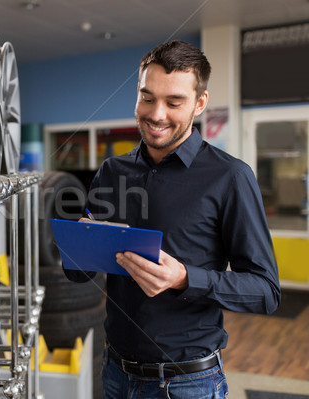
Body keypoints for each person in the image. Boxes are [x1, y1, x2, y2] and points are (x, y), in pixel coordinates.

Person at [63, 40, 280, 398]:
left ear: (199, 104)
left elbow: (266, 291)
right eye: (147, 98)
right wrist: (81, 244)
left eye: (173, 102)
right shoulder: (111, 171)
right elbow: (78, 272)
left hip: (187, 384)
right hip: (115, 373)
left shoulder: (230, 177)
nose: (157, 113)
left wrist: (184, 278)